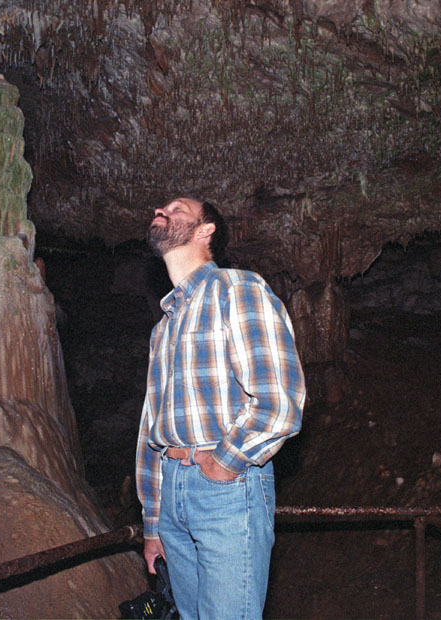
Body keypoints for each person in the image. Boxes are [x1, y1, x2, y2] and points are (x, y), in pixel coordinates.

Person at [135, 197, 306, 620]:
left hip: (225, 489)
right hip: (171, 491)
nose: (162, 210)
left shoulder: (237, 289)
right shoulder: (163, 327)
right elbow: (151, 429)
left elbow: (278, 400)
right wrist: (153, 522)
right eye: (162, 207)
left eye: (178, 208)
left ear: (205, 230)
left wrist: (224, 463)